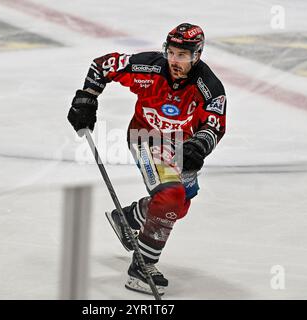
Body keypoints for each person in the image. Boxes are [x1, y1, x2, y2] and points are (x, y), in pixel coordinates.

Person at [67, 23, 226, 296]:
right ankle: (143, 267)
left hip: (180, 145)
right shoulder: (149, 67)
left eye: (183, 55)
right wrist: (87, 97)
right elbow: (103, 66)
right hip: (146, 137)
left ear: (197, 55)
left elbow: (214, 124)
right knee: (171, 198)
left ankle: (129, 217)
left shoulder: (208, 86)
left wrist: (199, 144)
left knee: (179, 205)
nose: (175, 61)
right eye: (171, 53)